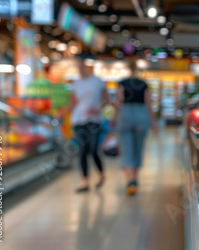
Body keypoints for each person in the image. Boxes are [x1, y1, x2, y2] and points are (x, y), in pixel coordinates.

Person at [57, 56, 108, 193]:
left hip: (94, 120)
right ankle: (85, 182)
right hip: (79, 121)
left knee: (93, 149)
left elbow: (106, 100)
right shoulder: (76, 84)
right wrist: (62, 112)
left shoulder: (97, 82)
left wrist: (97, 109)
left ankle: (102, 174)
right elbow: (73, 103)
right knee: (82, 151)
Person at [113, 59, 158, 195]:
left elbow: (118, 101)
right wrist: (154, 123)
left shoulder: (122, 83)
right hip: (141, 115)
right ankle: (135, 178)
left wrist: (113, 118)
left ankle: (130, 180)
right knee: (138, 147)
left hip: (125, 114)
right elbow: (149, 104)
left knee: (126, 148)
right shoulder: (144, 84)